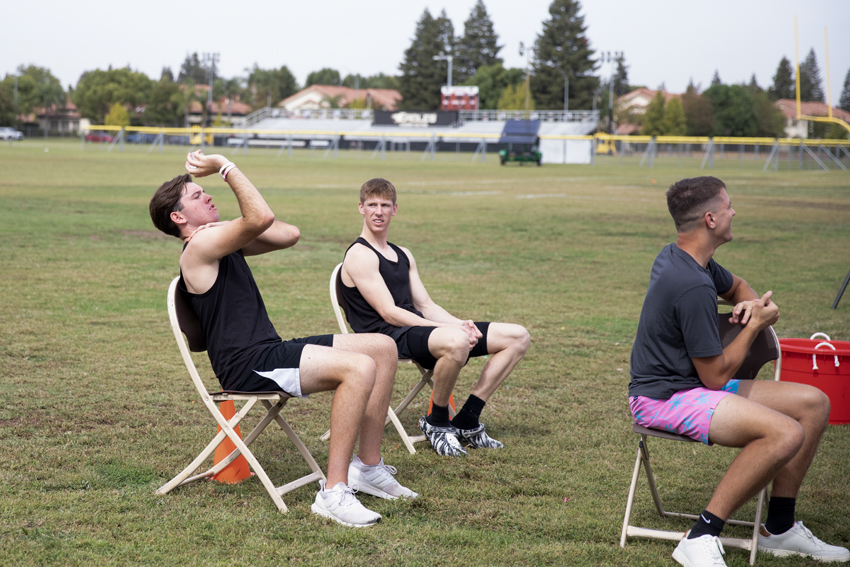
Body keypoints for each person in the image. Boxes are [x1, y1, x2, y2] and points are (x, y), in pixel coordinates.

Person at [149, 152, 416, 528]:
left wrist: (231, 225)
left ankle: (368, 468)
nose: (208, 196)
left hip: (270, 350)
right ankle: (332, 493)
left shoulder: (219, 241)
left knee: (382, 347)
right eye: (197, 196)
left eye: (206, 190)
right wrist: (225, 166)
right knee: (359, 367)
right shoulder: (199, 248)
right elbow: (260, 217)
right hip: (248, 365)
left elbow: (288, 234)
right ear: (179, 218)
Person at [629, 176, 848, 566]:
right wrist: (753, 326)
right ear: (711, 219)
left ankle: (779, 529)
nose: (735, 212)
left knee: (813, 403)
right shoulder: (690, 284)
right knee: (785, 432)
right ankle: (700, 536)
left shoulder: (688, 258)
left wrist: (752, 306)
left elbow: (739, 286)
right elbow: (714, 379)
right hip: (663, 398)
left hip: (692, 385)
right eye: (729, 206)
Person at [340, 178, 530, 457]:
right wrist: (450, 330)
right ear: (360, 208)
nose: (378, 211)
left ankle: (467, 420)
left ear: (395, 209)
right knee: (455, 341)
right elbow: (389, 312)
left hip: (418, 330)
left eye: (385, 205)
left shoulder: (403, 254)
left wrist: (460, 323)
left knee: (517, 336)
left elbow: (425, 304)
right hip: (385, 337)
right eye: (372, 205)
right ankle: (437, 422)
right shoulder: (359, 255)